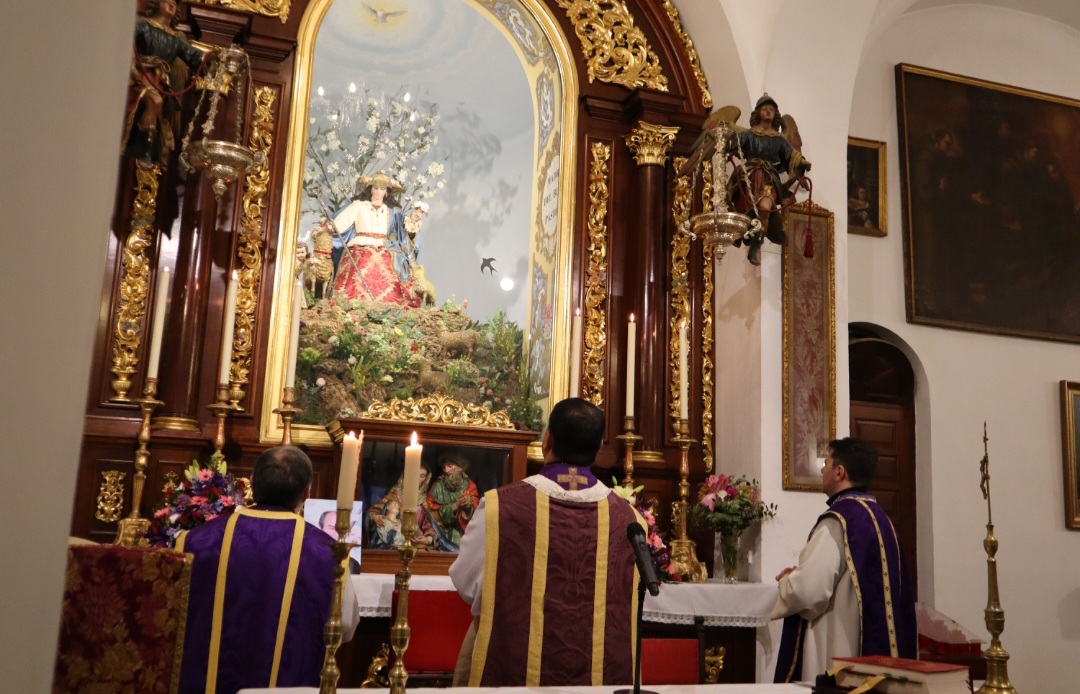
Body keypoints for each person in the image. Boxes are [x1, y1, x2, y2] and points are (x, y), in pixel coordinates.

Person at [449, 398, 641, 687]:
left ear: (547, 440)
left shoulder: (500, 507)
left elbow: (466, 583)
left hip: (513, 680)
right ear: (598, 449)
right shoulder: (629, 519)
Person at [177, 446, 360, 694]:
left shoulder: (195, 541)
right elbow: (345, 627)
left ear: (252, 483)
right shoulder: (330, 553)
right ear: (307, 493)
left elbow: (173, 619)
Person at [771, 437, 917, 683]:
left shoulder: (838, 521)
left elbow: (810, 591)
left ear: (839, 472)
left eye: (826, 464)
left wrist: (788, 580)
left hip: (841, 656)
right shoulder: (883, 520)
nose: (822, 470)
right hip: (878, 661)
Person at [123, 0, 214, 167]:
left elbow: (193, 56)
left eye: (174, 3)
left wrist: (210, 58)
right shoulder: (144, 25)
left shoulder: (175, 38)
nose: (172, 5)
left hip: (160, 82)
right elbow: (126, 41)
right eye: (167, 1)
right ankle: (142, 148)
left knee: (159, 108)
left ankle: (147, 148)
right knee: (154, 101)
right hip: (141, 76)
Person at [729, 93, 811, 265]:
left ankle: (755, 246)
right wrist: (725, 145)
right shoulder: (748, 134)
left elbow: (792, 155)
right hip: (750, 176)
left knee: (765, 209)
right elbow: (731, 145)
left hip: (768, 178)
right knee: (747, 212)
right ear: (758, 112)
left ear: (775, 115)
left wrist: (802, 162)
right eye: (765, 109)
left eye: (771, 110)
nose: (768, 112)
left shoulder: (779, 139)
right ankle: (747, 237)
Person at [325, 173, 423, 305]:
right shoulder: (359, 205)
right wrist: (326, 228)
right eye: (375, 188)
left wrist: (414, 220)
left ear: (386, 192)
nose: (378, 192)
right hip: (361, 245)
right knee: (365, 257)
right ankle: (356, 300)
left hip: (385, 247)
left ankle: (390, 302)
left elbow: (405, 231)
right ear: (370, 189)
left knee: (388, 259)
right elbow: (340, 223)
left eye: (382, 189)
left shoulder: (393, 212)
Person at [366, 464, 433, 549]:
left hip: (416, 544)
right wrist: (375, 517)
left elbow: (432, 525)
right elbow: (374, 510)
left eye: (422, 476)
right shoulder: (395, 495)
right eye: (415, 474)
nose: (417, 478)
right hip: (394, 544)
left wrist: (428, 539)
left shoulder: (426, 501)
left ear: (426, 479)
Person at [423, 453, 480, 550]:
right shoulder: (437, 487)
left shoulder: (470, 487)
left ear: (460, 468)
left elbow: (476, 514)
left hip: (463, 532)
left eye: (450, 466)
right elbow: (431, 512)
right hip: (441, 531)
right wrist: (454, 506)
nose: (446, 470)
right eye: (444, 467)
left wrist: (467, 507)